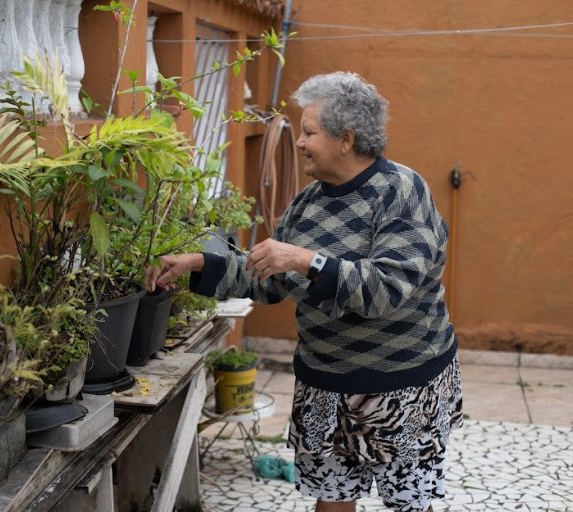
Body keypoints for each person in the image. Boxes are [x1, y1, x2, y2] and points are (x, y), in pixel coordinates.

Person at [145, 71, 463, 512]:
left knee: (409, 504)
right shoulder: (307, 203)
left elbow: (386, 289)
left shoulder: (402, 192)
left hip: (403, 387)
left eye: (309, 131)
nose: (299, 142)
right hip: (325, 384)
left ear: (346, 139)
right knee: (330, 501)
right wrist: (199, 264)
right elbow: (270, 281)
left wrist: (306, 260)